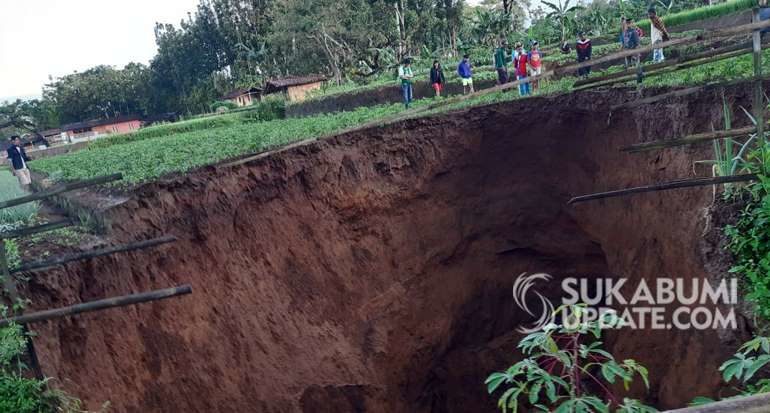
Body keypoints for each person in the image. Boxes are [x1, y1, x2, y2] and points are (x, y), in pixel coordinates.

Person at [624, 18, 643, 84]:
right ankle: (633, 81)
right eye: (627, 23)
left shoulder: (632, 32)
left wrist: (635, 53)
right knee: (631, 67)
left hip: (632, 52)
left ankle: (638, 81)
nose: (628, 24)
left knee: (635, 67)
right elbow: (626, 43)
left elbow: (637, 44)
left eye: (629, 23)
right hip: (629, 52)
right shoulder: (626, 32)